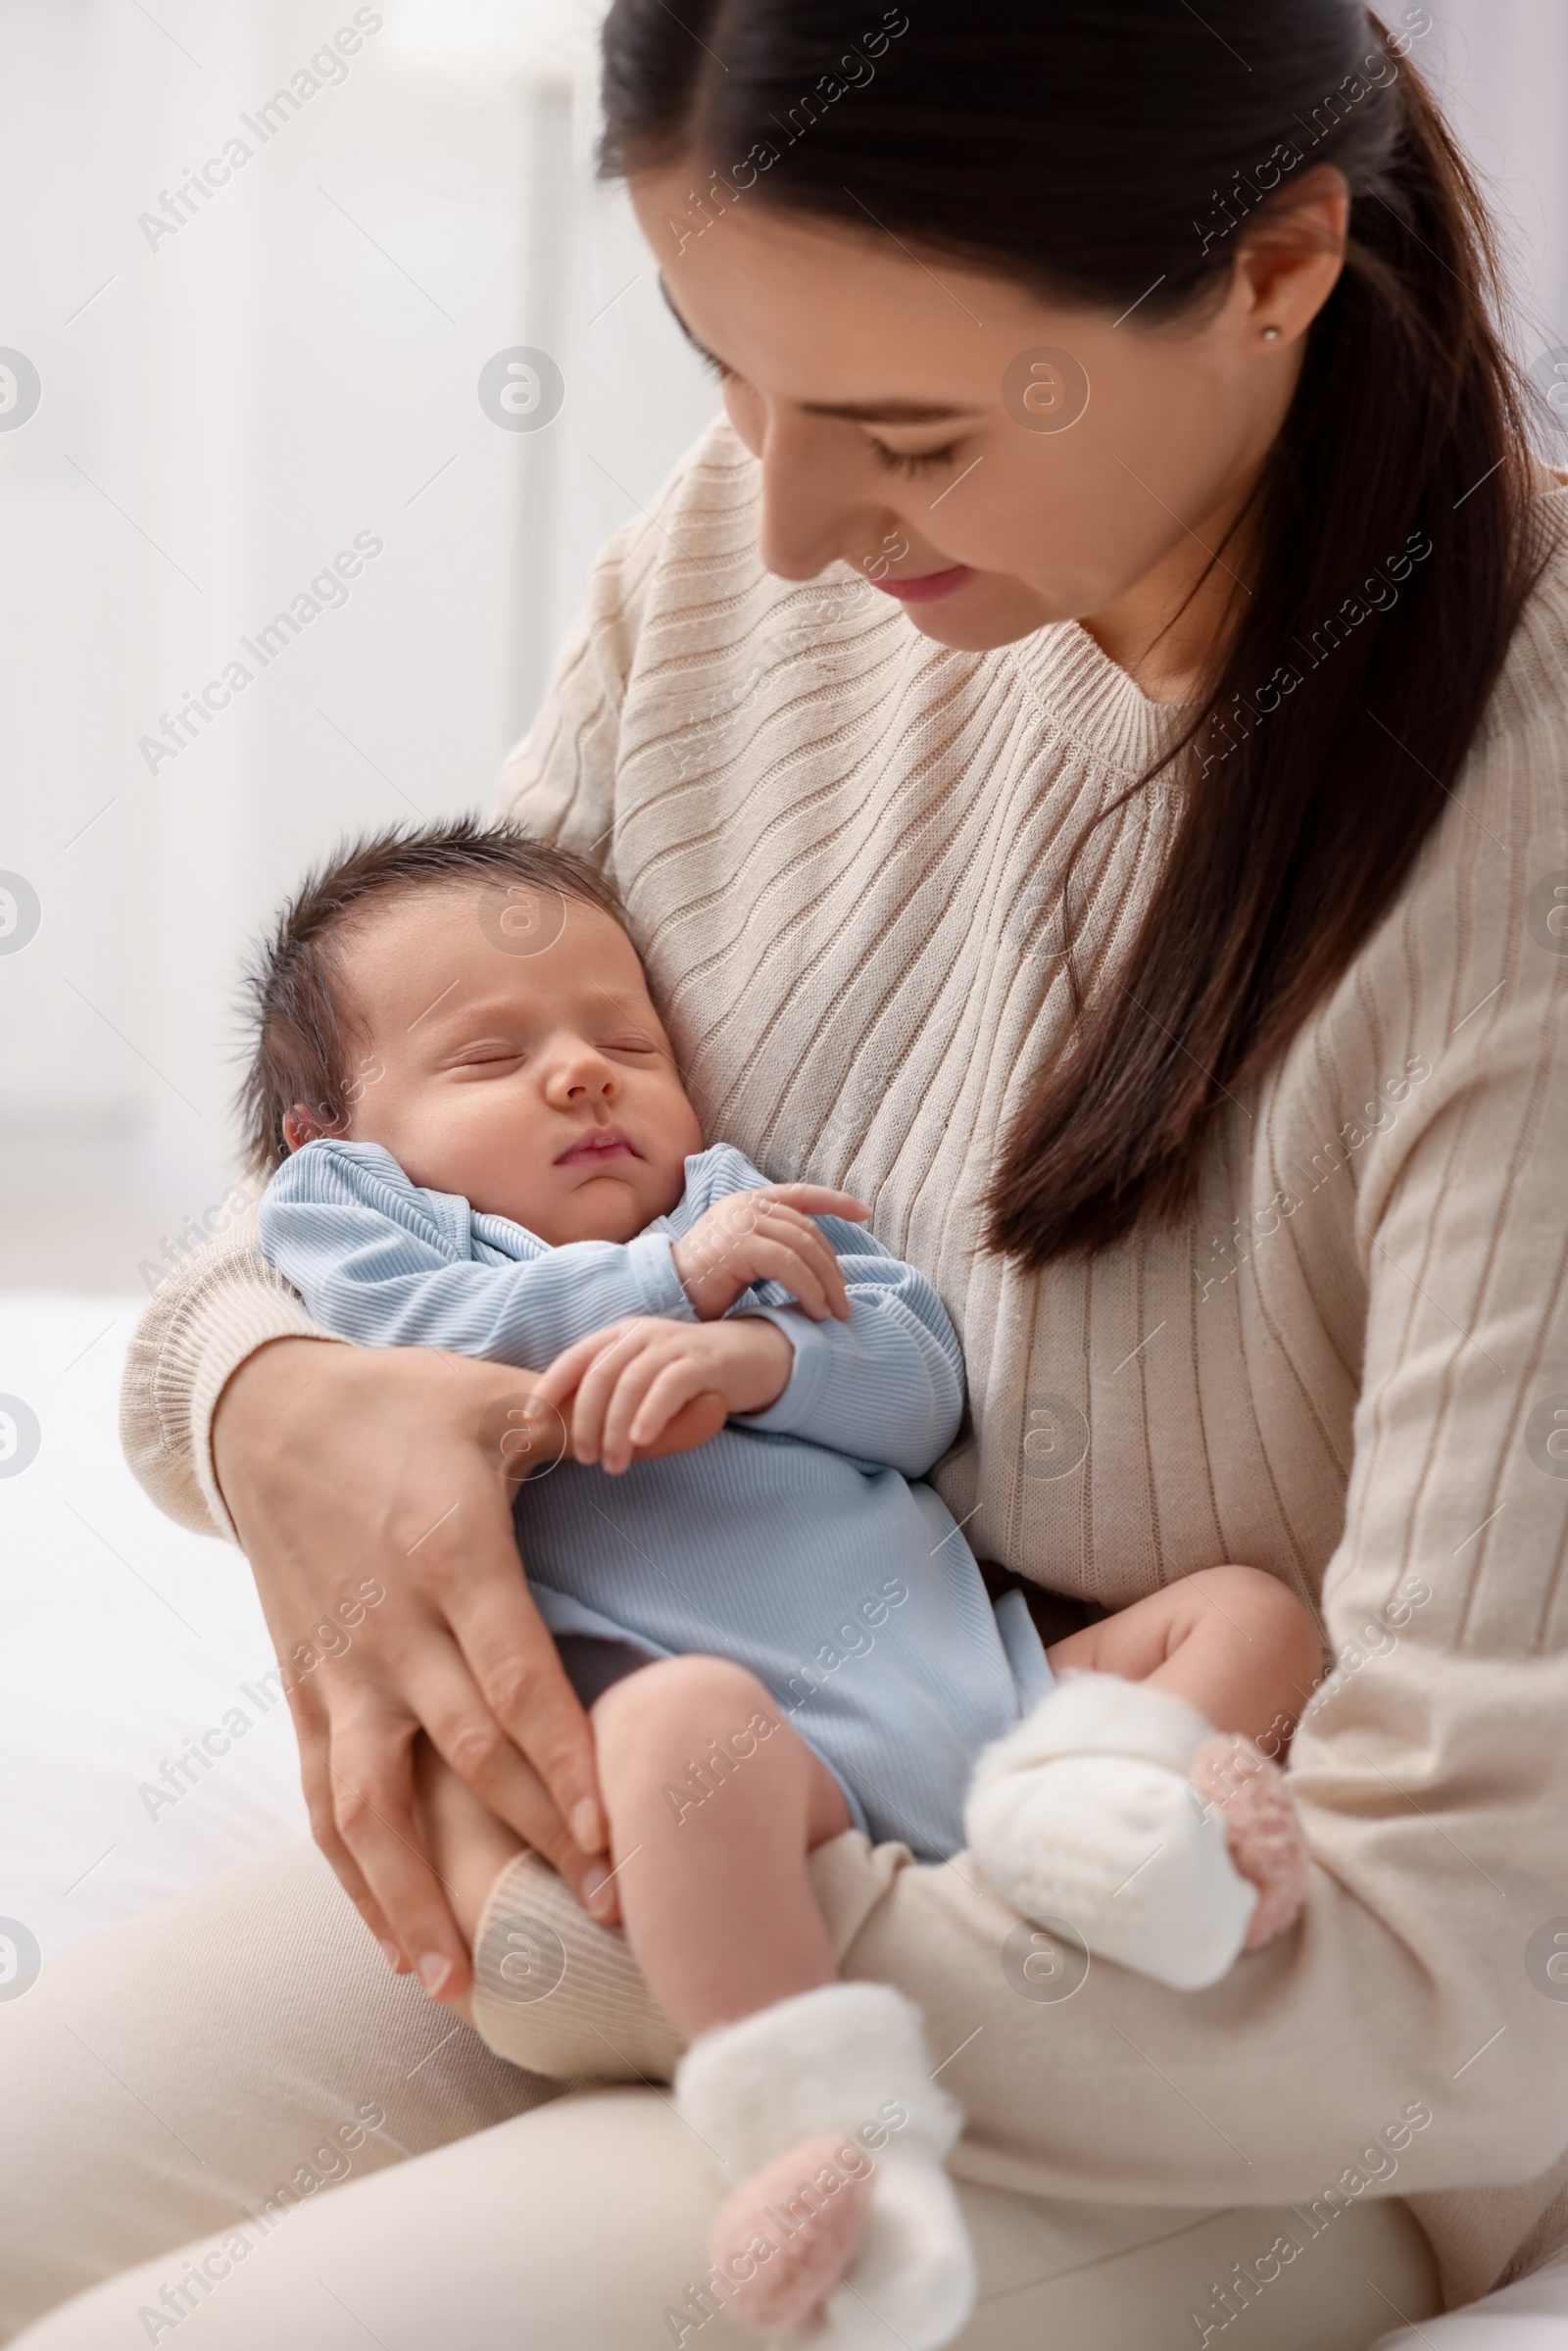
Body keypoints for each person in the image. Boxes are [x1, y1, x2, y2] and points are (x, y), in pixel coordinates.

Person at [6, 2, 1568, 2343]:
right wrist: (268, 1399)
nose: (787, 522)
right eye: (717, 366)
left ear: (1271, 266)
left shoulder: (1512, 852)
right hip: (665, 1823)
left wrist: (661, 1933)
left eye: (908, 431)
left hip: (1210, 2028)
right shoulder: (752, 576)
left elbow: (1473, 1951)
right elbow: (369, 1131)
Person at [244, 818, 1314, 2341]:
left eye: (624, 1037)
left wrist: (750, 1359)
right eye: (493, 1057)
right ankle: (815, 2123)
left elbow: (918, 1386)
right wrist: (656, 1292)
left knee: (1251, 1618)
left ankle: (1104, 1802)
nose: (583, 1073)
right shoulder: (369, 1229)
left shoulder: (731, 1201)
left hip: (995, 1683)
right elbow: (409, 1350)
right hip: (767, 1762)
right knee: (677, 1740)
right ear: (330, 1140)